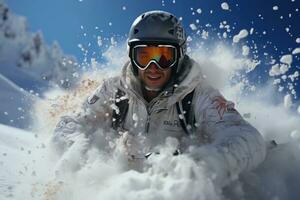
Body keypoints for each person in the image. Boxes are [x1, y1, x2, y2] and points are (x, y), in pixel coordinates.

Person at [52, 10, 266, 188]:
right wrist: (79, 150)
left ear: (179, 56)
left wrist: (203, 167)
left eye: (164, 56)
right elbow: (70, 124)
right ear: (132, 57)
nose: (153, 68)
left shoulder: (198, 95)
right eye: (143, 56)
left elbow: (245, 136)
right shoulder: (115, 90)